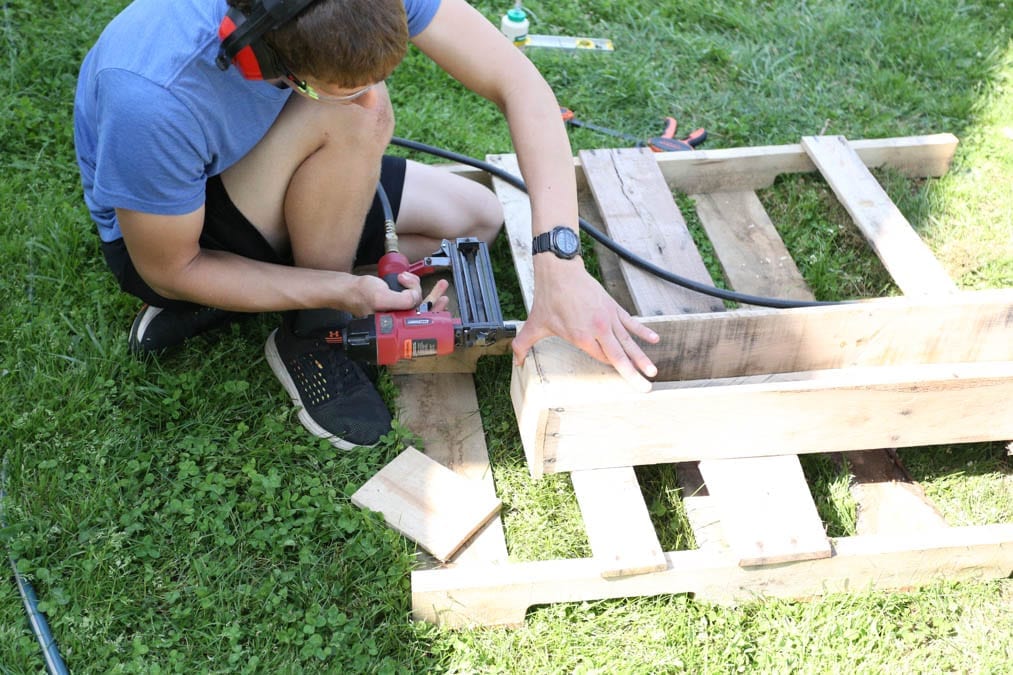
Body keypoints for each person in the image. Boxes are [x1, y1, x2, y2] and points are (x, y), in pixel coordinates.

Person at [74, 0, 659, 450]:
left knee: (474, 220)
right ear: (257, 55)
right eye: (330, 87)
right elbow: (172, 266)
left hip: (280, 158)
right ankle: (311, 329)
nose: (363, 96)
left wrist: (559, 263)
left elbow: (520, 83)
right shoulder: (153, 95)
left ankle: (252, 287)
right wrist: (343, 291)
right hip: (171, 236)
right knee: (360, 121)